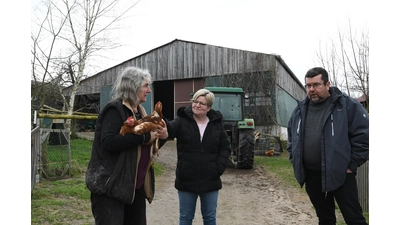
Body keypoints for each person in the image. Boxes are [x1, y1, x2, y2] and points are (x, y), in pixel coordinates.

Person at [85, 66, 169, 225]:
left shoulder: (141, 111)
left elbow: (147, 144)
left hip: (132, 188)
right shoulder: (115, 109)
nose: (149, 90)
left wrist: (162, 137)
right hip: (111, 187)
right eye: (145, 86)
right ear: (133, 86)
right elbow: (109, 142)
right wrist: (144, 137)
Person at [287, 67, 369, 225]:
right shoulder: (299, 110)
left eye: (316, 85)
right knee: (325, 219)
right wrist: (294, 158)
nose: (312, 89)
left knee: (354, 219)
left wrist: (351, 165)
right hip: (312, 176)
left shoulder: (346, 105)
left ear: (327, 84)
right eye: (308, 86)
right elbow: (292, 137)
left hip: (341, 174)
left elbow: (364, 136)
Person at [165, 88, 231, 225]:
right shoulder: (182, 120)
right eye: (195, 101)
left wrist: (217, 168)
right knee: (185, 218)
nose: (197, 105)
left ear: (209, 107)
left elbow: (225, 147)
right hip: (187, 179)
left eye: (202, 103)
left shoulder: (216, 124)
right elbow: (170, 129)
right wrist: (161, 122)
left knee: (210, 218)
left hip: (210, 180)